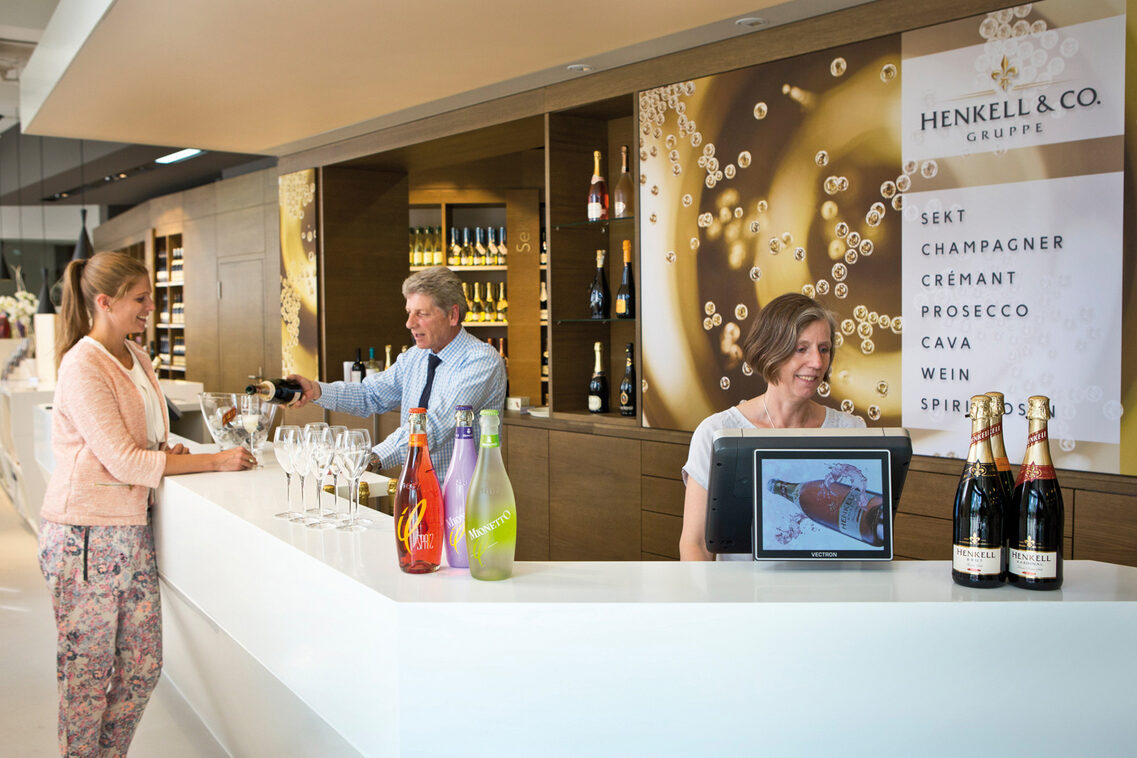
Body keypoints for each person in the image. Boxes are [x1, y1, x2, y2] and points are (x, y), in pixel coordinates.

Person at [38, 252, 253, 756]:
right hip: (83, 537)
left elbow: (141, 444)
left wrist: (164, 450)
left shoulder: (137, 357)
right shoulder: (82, 364)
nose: (150, 309)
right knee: (86, 680)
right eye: (140, 299)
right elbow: (123, 461)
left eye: (150, 298)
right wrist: (213, 461)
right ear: (105, 303)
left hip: (131, 532)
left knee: (141, 668)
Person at [679, 293, 866, 561]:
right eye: (801, 349)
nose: (816, 362)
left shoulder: (852, 431)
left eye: (823, 349)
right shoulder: (716, 433)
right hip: (742, 599)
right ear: (769, 351)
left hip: (830, 597)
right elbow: (695, 544)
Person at [289, 266, 505, 482]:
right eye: (409, 313)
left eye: (421, 314)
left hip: (463, 495)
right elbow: (370, 395)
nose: (409, 323)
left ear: (453, 315)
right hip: (415, 489)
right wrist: (316, 391)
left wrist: (374, 458)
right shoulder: (415, 358)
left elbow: (436, 425)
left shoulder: (480, 360)